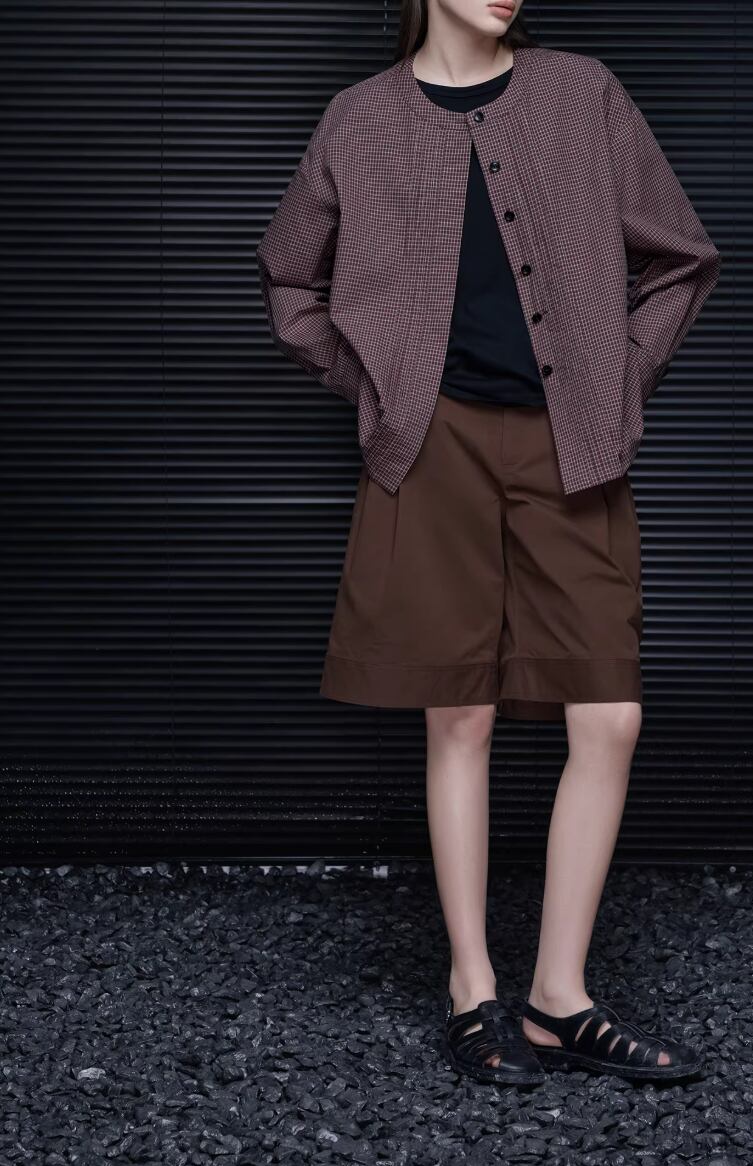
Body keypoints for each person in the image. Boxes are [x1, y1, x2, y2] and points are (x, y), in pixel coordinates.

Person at [255, 0, 720, 1086]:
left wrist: (620, 379)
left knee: (608, 714)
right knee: (456, 711)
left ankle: (560, 995)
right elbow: (289, 278)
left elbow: (681, 260)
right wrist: (375, 388)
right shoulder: (357, 118)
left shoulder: (582, 93)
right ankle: (473, 987)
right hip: (434, 443)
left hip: (574, 442)